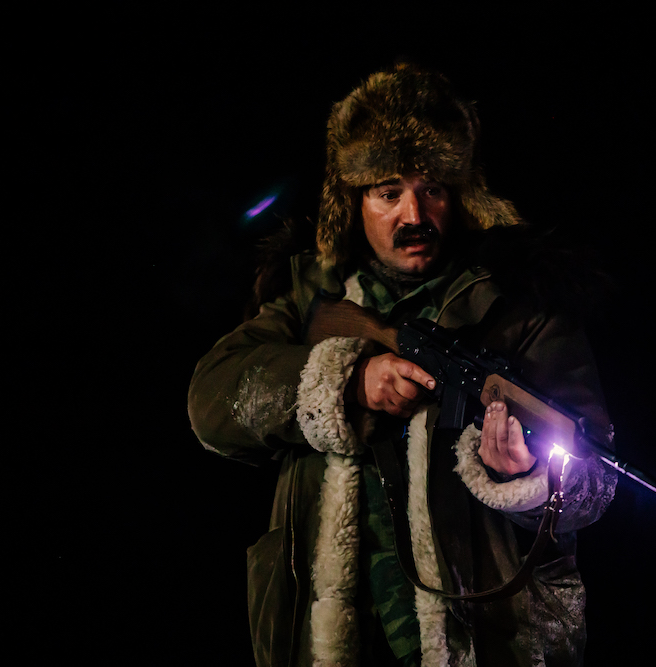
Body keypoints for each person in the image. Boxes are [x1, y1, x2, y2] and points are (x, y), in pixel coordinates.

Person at [188, 64, 618, 667]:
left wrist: (528, 479)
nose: (414, 215)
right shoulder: (310, 297)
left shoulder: (525, 304)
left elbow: (595, 481)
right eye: (388, 193)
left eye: (431, 189)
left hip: (486, 635)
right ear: (353, 201)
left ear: (458, 194)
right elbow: (211, 402)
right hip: (330, 637)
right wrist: (348, 381)